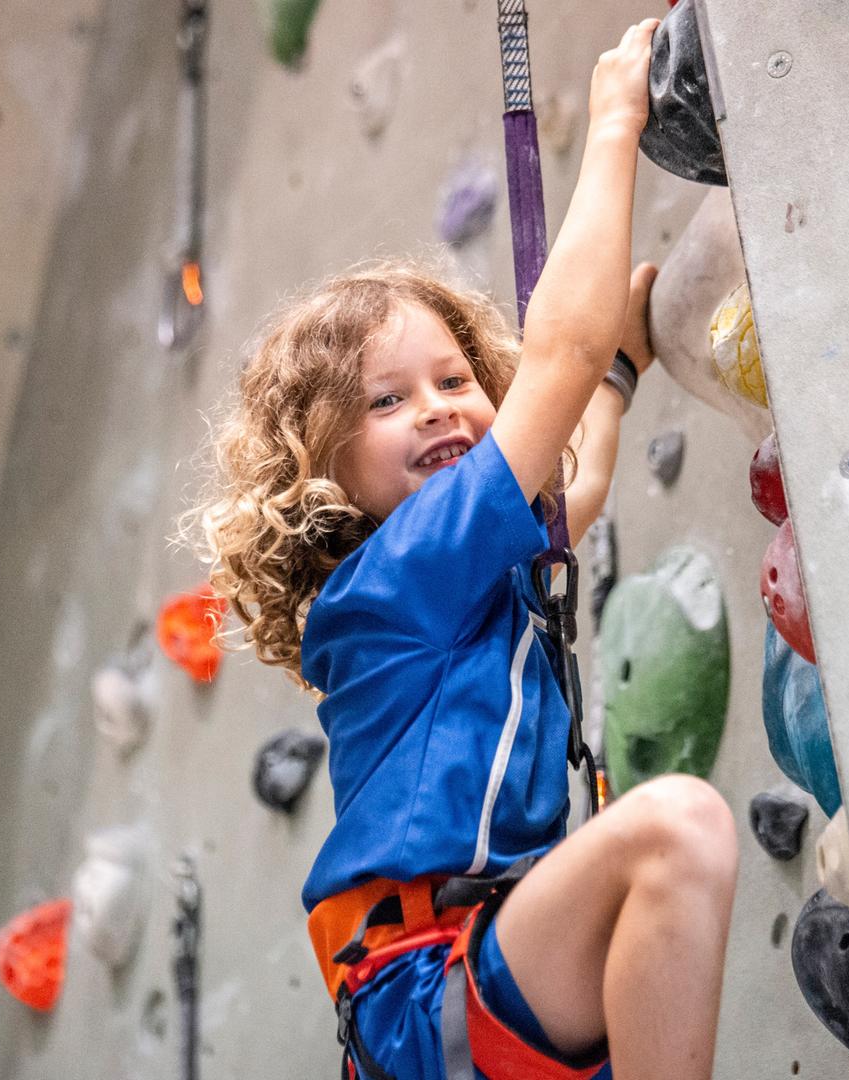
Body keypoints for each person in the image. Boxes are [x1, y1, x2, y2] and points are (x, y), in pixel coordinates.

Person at [189, 18, 737, 1080]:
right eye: (387, 401)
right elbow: (561, 355)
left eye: (454, 382)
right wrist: (619, 118)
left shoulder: (464, 571)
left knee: (668, 848)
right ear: (325, 468)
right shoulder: (393, 579)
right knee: (676, 831)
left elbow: (571, 491)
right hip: (423, 985)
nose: (440, 411)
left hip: (472, 972)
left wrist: (614, 383)